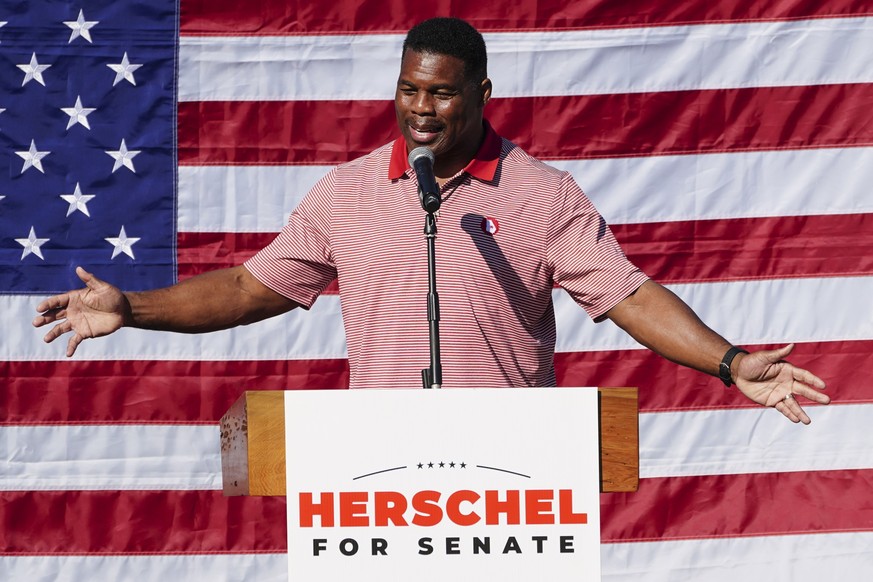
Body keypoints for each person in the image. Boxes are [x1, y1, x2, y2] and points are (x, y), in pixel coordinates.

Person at [33, 17, 828, 423]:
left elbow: (629, 296)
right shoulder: (345, 192)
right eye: (409, 89)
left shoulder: (542, 194)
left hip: (513, 480)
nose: (420, 107)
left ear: (482, 96)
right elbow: (248, 288)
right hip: (382, 483)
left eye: (441, 92)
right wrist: (131, 309)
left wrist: (728, 363)